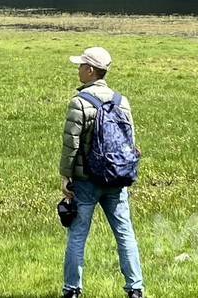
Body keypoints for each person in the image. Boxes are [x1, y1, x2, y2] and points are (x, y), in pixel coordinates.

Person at [59, 46, 145, 298]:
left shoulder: (79, 102)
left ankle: (72, 290)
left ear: (90, 70)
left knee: (77, 235)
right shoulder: (122, 101)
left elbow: (70, 145)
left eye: (80, 66)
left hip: (86, 181)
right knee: (124, 232)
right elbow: (129, 141)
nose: (78, 69)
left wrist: (65, 177)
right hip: (117, 178)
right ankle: (135, 289)